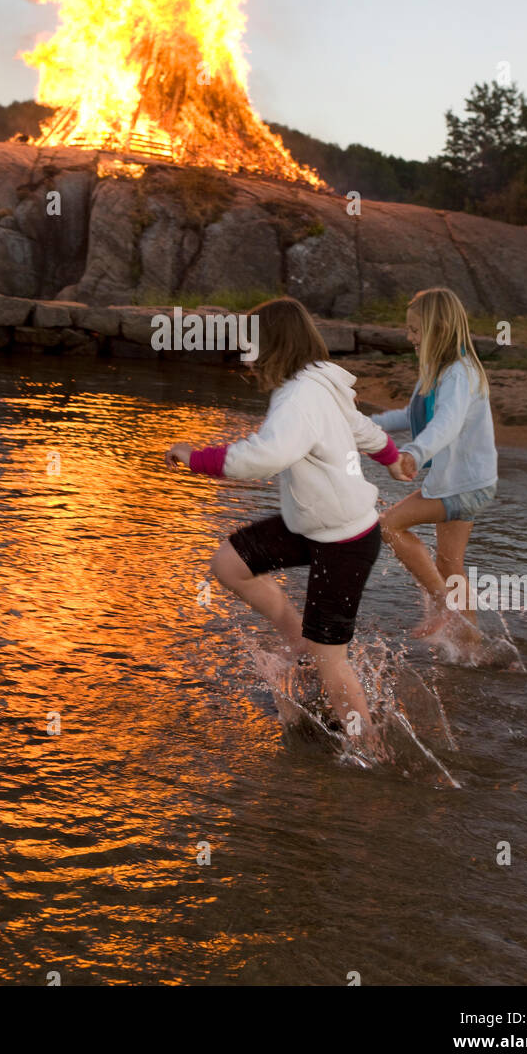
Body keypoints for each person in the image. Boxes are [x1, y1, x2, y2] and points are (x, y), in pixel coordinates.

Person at [164, 296, 408, 744]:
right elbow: (362, 428)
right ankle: (299, 642)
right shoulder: (315, 382)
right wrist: (392, 459)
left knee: (332, 658)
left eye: (250, 347)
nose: (245, 358)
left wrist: (196, 456)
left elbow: (268, 455)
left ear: (273, 345)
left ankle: (369, 746)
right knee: (229, 564)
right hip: (313, 524)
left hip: (344, 539)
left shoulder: (300, 396)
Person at [374, 287, 498, 641]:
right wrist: (366, 425)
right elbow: (410, 415)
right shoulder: (441, 368)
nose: (409, 336)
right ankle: (472, 644)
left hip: (464, 485)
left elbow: (446, 424)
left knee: (389, 526)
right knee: (448, 563)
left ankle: (445, 605)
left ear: (438, 330)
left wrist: (413, 453)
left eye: (415, 329)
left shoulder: (459, 373)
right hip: (468, 483)